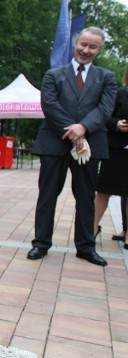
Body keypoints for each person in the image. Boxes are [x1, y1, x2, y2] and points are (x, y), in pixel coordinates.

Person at [27, 27, 117, 266]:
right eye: (83, 45)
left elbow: (105, 109)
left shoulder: (106, 77)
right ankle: (41, 244)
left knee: (86, 197)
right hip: (54, 143)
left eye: (92, 47)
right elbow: (50, 104)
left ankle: (86, 247)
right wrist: (73, 131)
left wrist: (84, 128)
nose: (86, 50)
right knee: (47, 195)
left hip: (90, 145)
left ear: (99, 50)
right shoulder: (53, 74)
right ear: (76, 43)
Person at [93, 65, 128, 251]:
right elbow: (105, 116)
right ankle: (91, 229)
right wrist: (117, 124)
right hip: (116, 150)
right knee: (103, 190)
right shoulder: (120, 94)